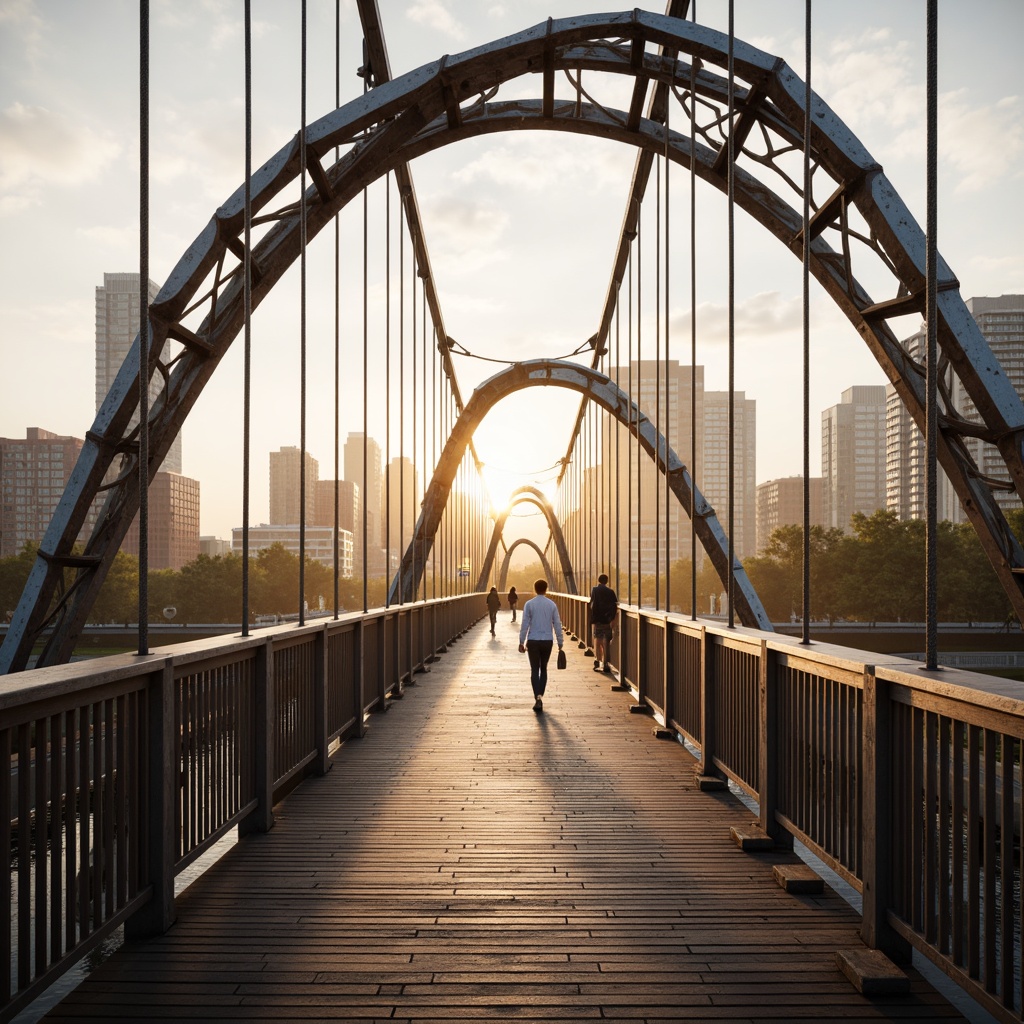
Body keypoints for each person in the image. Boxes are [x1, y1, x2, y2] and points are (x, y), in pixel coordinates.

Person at [518, 579, 564, 712]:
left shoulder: (529, 604)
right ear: (546, 589)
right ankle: (540, 696)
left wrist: (521, 641)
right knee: (543, 669)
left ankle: (537, 698)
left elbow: (525, 624)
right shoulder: (552, 605)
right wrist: (560, 642)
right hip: (547, 641)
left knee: (534, 670)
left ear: (535, 588)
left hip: (533, 641)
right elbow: (557, 624)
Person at [589, 572, 618, 674]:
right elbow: (615, 605)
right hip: (607, 620)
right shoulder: (611, 591)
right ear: (607, 581)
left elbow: (592, 603)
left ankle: (597, 661)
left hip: (598, 620)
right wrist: (613, 620)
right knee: (607, 642)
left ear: (598, 580)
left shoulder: (595, 590)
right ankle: (606, 663)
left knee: (598, 640)